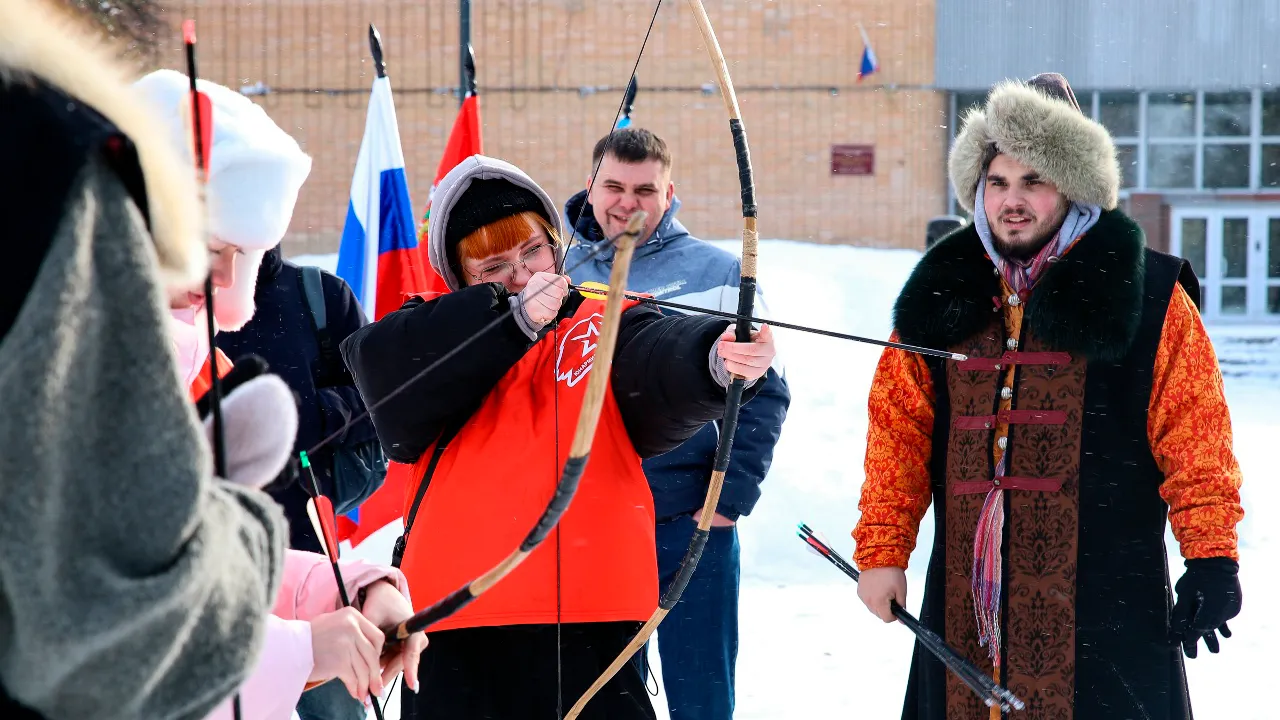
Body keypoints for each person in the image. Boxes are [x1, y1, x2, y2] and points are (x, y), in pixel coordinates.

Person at [852, 73, 1245, 720]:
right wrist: (882, 551)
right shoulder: (944, 290)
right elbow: (896, 431)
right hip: (967, 603)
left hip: (1107, 598)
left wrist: (1211, 556)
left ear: (1073, 186)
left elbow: (1195, 431)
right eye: (998, 181)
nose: (1012, 200)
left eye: (1034, 181)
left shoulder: (1147, 295)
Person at [340, 155, 778, 720]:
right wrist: (513, 322)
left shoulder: (600, 320)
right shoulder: (422, 336)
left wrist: (715, 358)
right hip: (458, 631)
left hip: (592, 625)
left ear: (556, 245)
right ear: (459, 278)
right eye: (493, 267)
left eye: (533, 253)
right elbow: (388, 387)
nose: (522, 275)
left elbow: (658, 360)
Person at [0, 0, 288, 717]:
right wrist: (236, 531)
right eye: (212, 253)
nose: (216, 285)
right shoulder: (39, 160)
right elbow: (114, 620)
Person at [563, 127, 790, 720]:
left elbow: (766, 394)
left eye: (645, 189)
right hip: (588, 522)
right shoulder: (556, 274)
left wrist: (726, 502)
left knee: (702, 698)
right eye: (613, 186)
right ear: (590, 188)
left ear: (670, 193)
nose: (627, 202)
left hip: (688, 520)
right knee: (603, 696)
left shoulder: (720, 273)